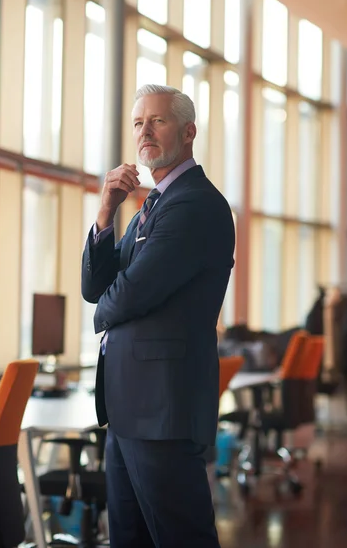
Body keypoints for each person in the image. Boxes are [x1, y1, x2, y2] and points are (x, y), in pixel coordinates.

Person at [81, 84, 235, 548]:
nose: (144, 131)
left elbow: (131, 294)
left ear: (188, 132)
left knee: (180, 537)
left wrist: (105, 315)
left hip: (163, 410)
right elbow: (95, 287)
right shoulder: (153, 205)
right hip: (131, 408)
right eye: (137, 123)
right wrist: (107, 210)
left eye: (157, 121)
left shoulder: (195, 203)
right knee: (130, 538)